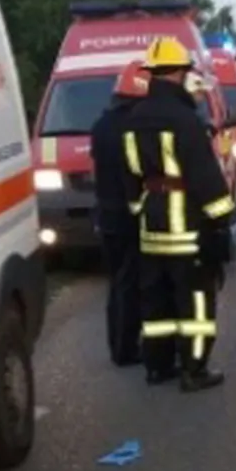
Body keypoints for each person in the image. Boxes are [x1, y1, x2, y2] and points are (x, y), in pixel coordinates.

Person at [121, 36, 235, 392]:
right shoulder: (185, 120)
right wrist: (220, 223)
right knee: (196, 304)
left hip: (151, 228)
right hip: (188, 229)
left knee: (156, 302)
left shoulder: (133, 117)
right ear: (180, 74)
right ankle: (194, 370)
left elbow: (130, 176)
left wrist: (139, 211)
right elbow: (205, 178)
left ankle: (157, 366)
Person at [91, 60, 150, 367]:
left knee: (117, 284)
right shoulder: (135, 128)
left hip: (106, 216)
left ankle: (118, 345)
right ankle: (128, 348)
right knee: (133, 283)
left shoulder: (102, 125)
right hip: (130, 216)